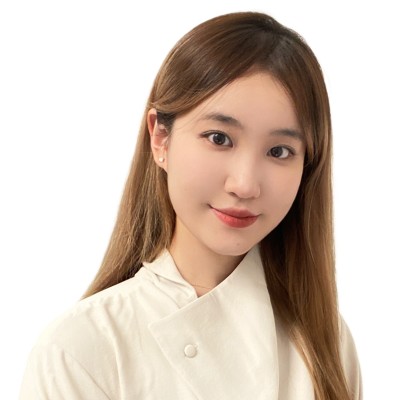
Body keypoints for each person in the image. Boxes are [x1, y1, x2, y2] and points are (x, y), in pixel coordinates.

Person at [19, 11, 362, 400]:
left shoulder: (326, 343)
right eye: (219, 138)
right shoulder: (81, 350)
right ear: (160, 139)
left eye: (279, 151)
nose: (245, 184)